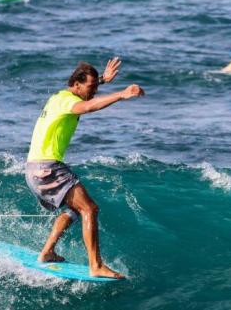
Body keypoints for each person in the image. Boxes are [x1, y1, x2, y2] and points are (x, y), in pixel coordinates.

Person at [25, 58, 145, 279]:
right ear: (76, 84)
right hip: (47, 167)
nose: (93, 92)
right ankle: (96, 265)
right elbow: (88, 106)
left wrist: (102, 80)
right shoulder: (67, 101)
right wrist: (121, 94)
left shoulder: (59, 97)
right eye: (91, 87)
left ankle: (47, 252)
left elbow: (86, 95)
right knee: (90, 209)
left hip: (35, 169)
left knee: (73, 210)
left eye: (95, 87)